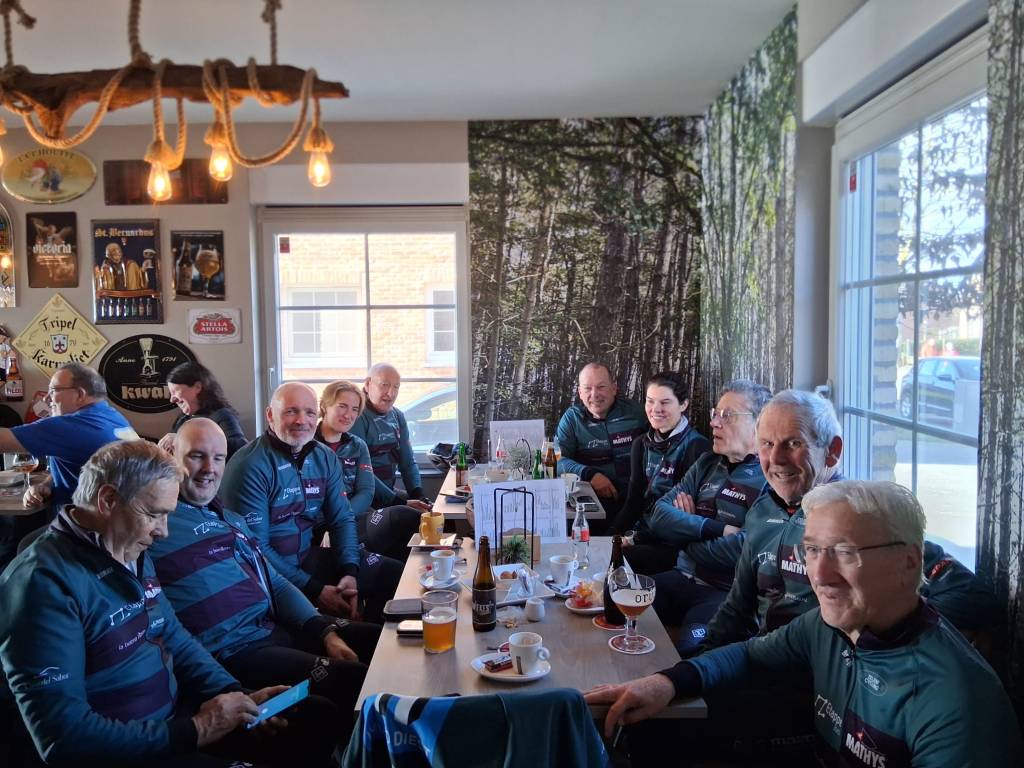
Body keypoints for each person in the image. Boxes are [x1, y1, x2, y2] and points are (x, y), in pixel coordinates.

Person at [585, 481, 1023, 767]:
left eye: (845, 552)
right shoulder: (827, 626)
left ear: (909, 562)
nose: (821, 575)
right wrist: (666, 682)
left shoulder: (955, 703)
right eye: (812, 550)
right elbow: (748, 655)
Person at [0, 440, 338, 767]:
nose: (162, 532)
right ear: (108, 500)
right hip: (130, 747)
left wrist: (234, 693)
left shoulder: (129, 547)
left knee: (316, 715)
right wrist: (198, 729)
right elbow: (63, 739)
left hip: (175, 720)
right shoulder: (41, 583)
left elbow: (173, 635)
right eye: (154, 514)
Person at [150, 418, 380, 747]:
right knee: (351, 683)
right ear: (173, 457)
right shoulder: (154, 525)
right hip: (235, 651)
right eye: (196, 456)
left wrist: (325, 633)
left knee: (379, 640)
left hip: (274, 628)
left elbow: (275, 582)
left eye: (218, 458)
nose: (209, 469)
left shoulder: (230, 519)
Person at [220, 382, 402, 624]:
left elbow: (342, 519)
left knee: (394, 575)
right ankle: (350, 633)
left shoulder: (324, 457)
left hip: (306, 558)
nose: (301, 420)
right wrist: (315, 590)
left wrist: (349, 571)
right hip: (266, 575)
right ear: (270, 415)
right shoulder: (250, 465)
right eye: (291, 411)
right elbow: (256, 549)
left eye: (309, 413)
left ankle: (361, 628)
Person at [642, 379, 771, 654]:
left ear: (760, 424)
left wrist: (683, 535)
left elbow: (744, 550)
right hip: (681, 577)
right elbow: (658, 515)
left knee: (691, 650)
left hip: (724, 593)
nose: (714, 423)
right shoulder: (707, 463)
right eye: (716, 413)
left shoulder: (769, 479)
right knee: (613, 598)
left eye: (727, 415)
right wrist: (717, 529)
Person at [608, 371, 711, 574]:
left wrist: (633, 539)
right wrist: (611, 536)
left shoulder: (697, 447)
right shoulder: (641, 444)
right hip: (642, 533)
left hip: (673, 543)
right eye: (650, 401)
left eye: (665, 402)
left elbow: (679, 517)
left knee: (618, 560)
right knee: (602, 549)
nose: (656, 409)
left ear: (683, 405)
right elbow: (634, 501)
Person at [0, 361, 139, 511]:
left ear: (80, 394)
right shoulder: (112, 416)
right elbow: (79, 461)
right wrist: (47, 484)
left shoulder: (69, 426)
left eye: (53, 390)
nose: (46, 398)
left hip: (87, 520)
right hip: (125, 515)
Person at [316, 380, 420, 561]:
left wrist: (340, 522)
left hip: (351, 518)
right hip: (319, 526)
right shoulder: (306, 445)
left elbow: (366, 492)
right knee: (403, 516)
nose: (348, 415)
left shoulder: (357, 445)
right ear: (324, 406)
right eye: (342, 406)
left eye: (355, 409)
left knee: (406, 547)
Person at [556, 362, 648, 514]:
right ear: (580, 392)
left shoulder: (637, 413)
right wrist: (589, 474)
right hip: (592, 503)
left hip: (638, 500)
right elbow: (556, 460)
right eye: (587, 388)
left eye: (601, 387)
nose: (594, 394)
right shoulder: (572, 419)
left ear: (614, 388)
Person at [349, 363, 432, 510]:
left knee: (432, 512)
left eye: (396, 387)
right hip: (362, 498)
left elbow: (407, 462)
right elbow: (362, 472)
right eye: (385, 385)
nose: (391, 393)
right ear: (368, 384)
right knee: (410, 516)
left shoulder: (397, 416)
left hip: (389, 493)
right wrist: (397, 502)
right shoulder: (355, 417)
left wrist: (417, 494)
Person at [156, 361, 247, 459]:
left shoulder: (222, 415)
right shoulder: (182, 418)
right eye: (171, 393)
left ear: (197, 387)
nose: (172, 399)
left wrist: (182, 440)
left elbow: (240, 449)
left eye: (175, 391)